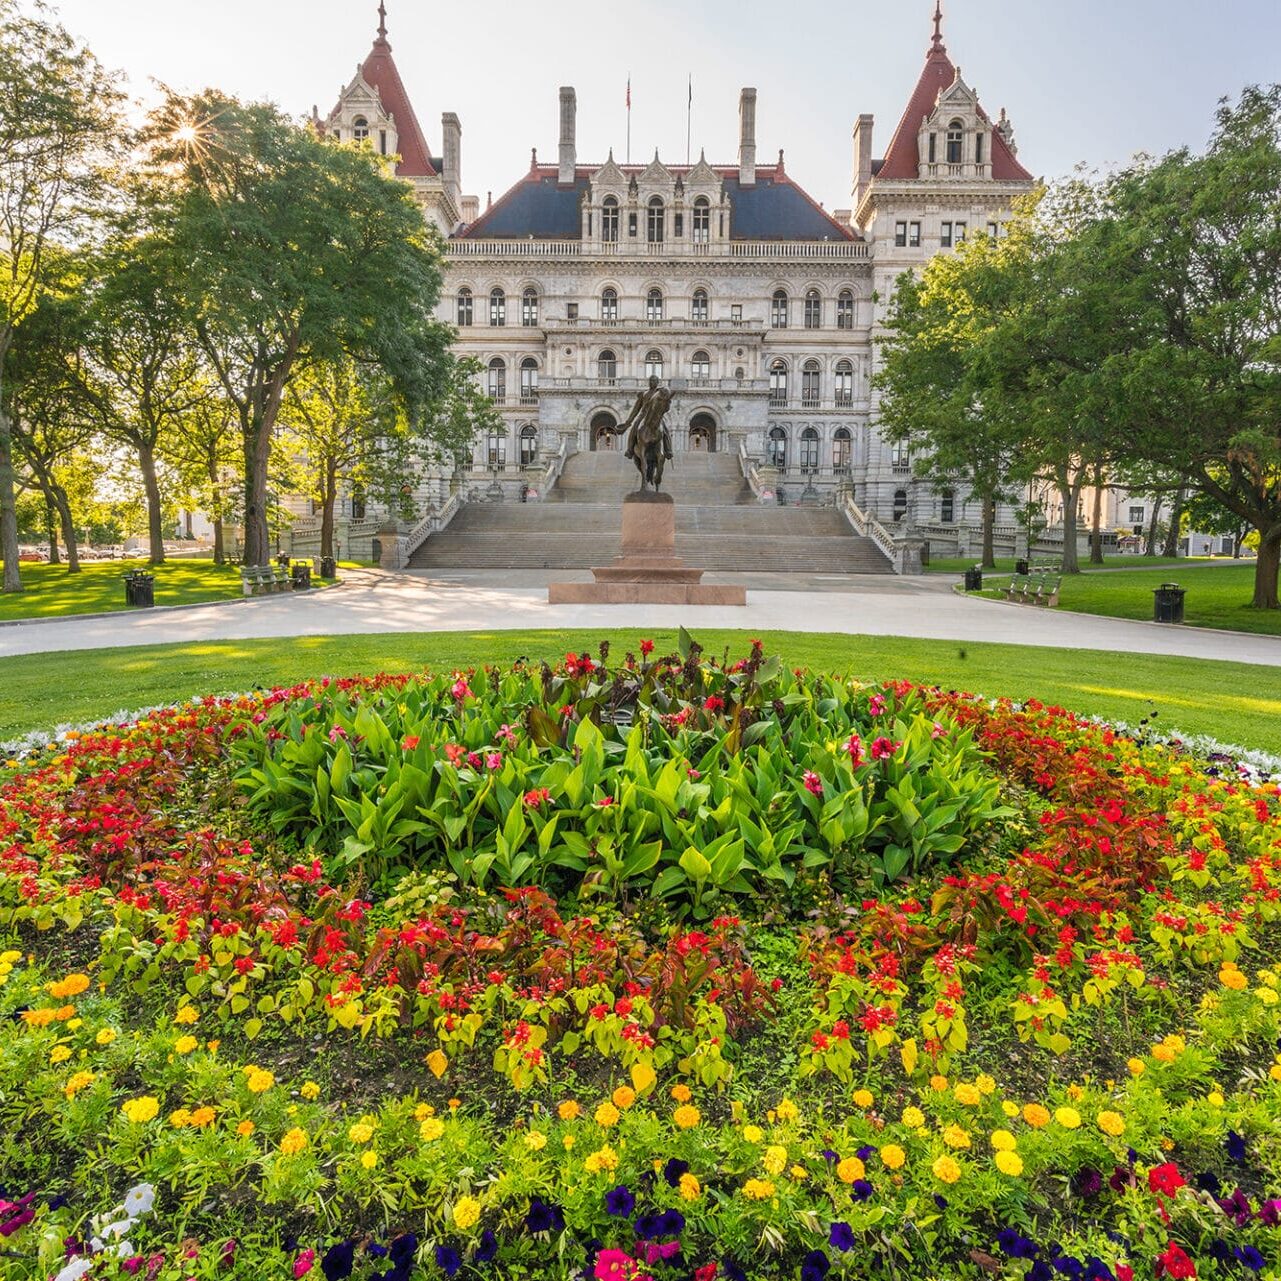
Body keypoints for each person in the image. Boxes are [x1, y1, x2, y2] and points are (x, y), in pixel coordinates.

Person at [622, 376, 674, 462]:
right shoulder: (643, 394)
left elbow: (666, 406)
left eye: (654, 381)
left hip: (656, 417)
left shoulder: (660, 393)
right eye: (650, 380)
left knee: (665, 430)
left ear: (658, 382)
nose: (652, 382)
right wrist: (629, 421)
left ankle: (668, 449)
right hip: (643, 416)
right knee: (635, 427)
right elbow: (636, 409)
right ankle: (630, 449)